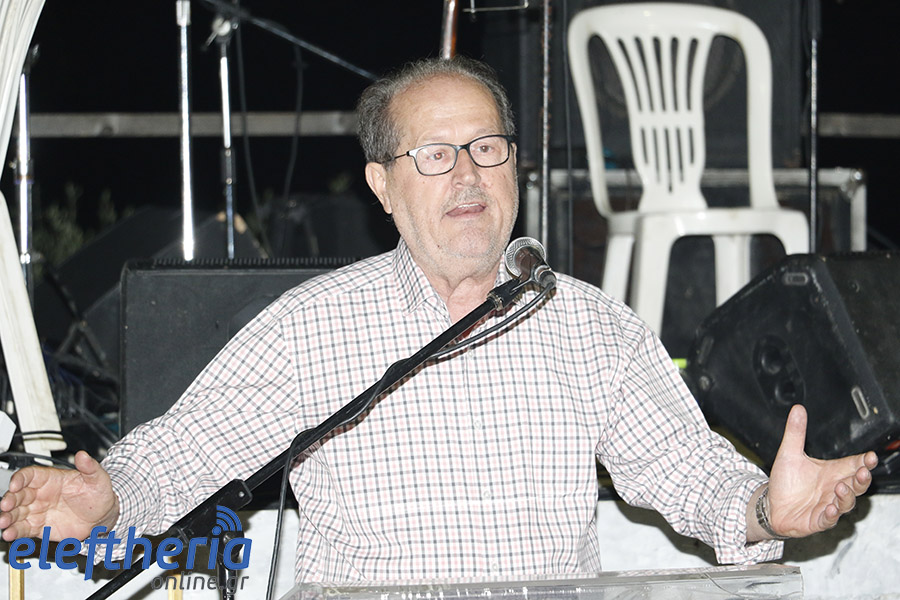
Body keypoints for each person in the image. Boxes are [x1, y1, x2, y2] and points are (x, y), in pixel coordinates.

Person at [0, 57, 877, 583]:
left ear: (514, 167)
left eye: (486, 148)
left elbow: (689, 475)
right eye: (433, 154)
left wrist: (768, 509)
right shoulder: (314, 328)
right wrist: (108, 496)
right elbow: (185, 453)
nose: (467, 174)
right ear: (382, 186)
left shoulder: (589, 327)